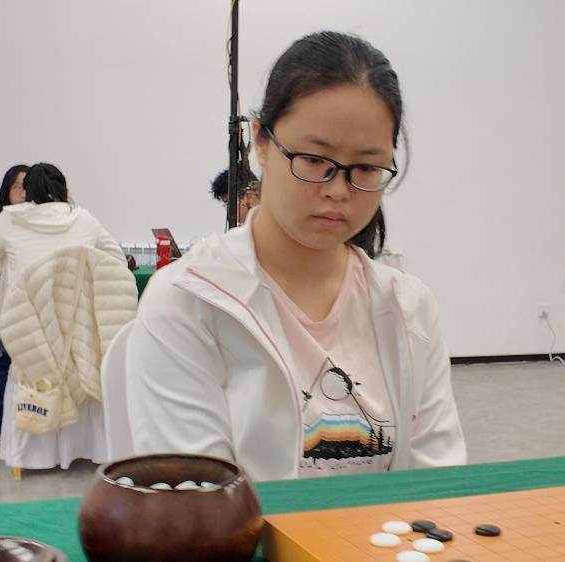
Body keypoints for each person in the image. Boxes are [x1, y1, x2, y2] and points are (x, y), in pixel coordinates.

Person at [125, 31, 465, 481]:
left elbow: (436, 481)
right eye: (314, 159)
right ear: (261, 142)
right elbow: (195, 500)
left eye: (366, 168)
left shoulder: (408, 307)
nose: (338, 190)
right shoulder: (188, 303)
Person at [0, 162, 126, 445]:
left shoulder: (10, 219)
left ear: (28, 191)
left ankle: (8, 438)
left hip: (26, 326)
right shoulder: (84, 219)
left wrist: (17, 265)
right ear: (65, 189)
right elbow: (115, 259)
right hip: (75, 326)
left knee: (7, 359)